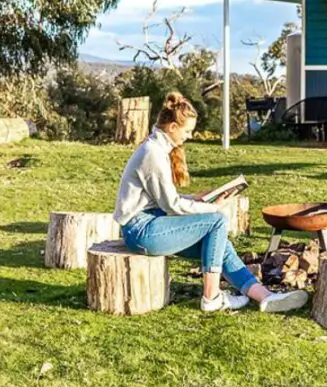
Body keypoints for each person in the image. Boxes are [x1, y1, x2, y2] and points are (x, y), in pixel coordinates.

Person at [113, 92, 307, 313]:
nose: (190, 135)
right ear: (173, 127)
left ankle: (265, 297)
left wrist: (196, 199)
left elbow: (160, 199)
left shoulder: (157, 148)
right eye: (187, 130)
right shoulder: (153, 153)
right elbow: (171, 206)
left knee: (219, 243)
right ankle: (211, 297)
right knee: (216, 221)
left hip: (151, 224)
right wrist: (213, 207)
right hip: (140, 231)